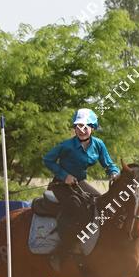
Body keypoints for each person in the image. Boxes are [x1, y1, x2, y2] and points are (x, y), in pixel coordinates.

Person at [42, 108, 120, 261]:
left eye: (85, 127)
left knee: (102, 204)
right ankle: (64, 248)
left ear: (92, 128)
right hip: (61, 185)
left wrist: (114, 173)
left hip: (79, 183)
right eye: (78, 126)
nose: (81, 130)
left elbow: (109, 164)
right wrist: (65, 176)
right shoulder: (66, 145)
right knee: (77, 206)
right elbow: (47, 160)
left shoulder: (98, 144)